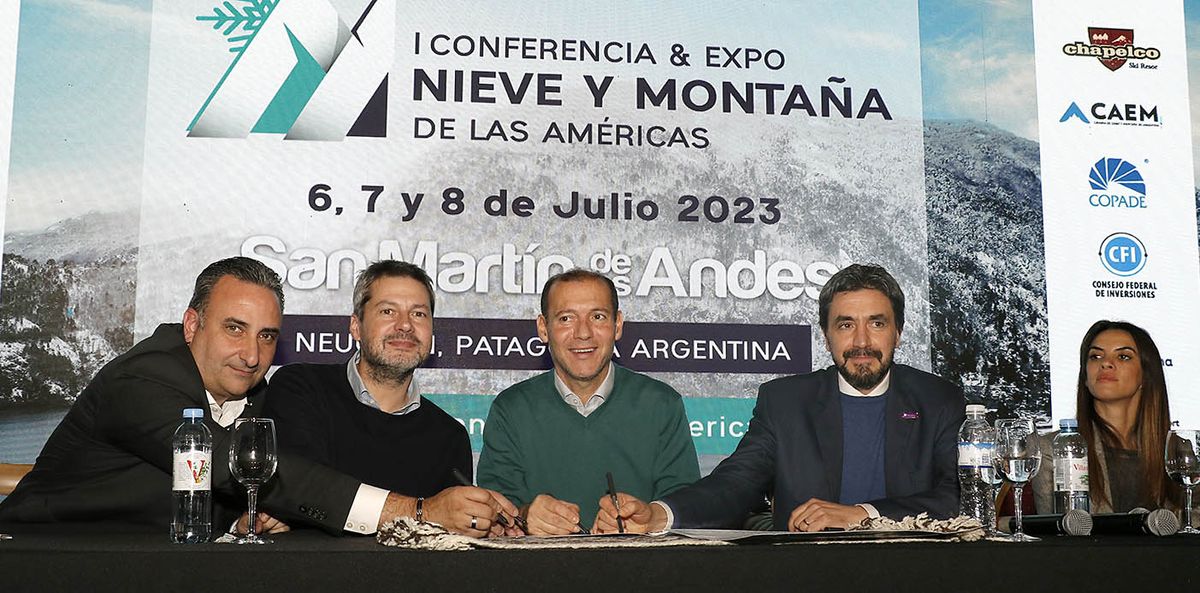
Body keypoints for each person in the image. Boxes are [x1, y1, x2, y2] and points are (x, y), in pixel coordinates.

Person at [0, 257, 514, 537]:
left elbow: (264, 490)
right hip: (43, 557)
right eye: (234, 328)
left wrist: (251, 516)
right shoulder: (142, 380)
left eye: (267, 335)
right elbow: (232, 466)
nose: (251, 353)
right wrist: (420, 512)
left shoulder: (264, 398)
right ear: (192, 324)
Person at [595, 263, 965, 533]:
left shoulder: (939, 400)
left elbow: (956, 497)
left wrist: (861, 513)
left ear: (898, 332)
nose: (862, 342)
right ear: (826, 336)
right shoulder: (785, 402)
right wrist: (659, 515)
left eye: (877, 323)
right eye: (846, 325)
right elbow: (734, 484)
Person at [476, 269, 700, 533]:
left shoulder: (662, 404)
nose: (583, 333)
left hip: (641, 569)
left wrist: (650, 517)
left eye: (597, 317)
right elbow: (492, 513)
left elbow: (687, 508)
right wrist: (526, 516)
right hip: (536, 570)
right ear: (543, 328)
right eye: (566, 318)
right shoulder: (510, 409)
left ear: (617, 326)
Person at [264, 261, 481, 522]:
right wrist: (422, 511)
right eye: (388, 311)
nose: (405, 325)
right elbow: (299, 490)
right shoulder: (301, 388)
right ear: (356, 326)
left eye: (419, 314)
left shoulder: (450, 436)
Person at [1032, 320, 1180, 514]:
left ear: (1146, 374)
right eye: (1095, 356)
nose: (1106, 363)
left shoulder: (1178, 449)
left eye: (1123, 357)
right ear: (1085, 377)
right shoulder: (1051, 448)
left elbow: (1192, 519)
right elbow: (1057, 533)